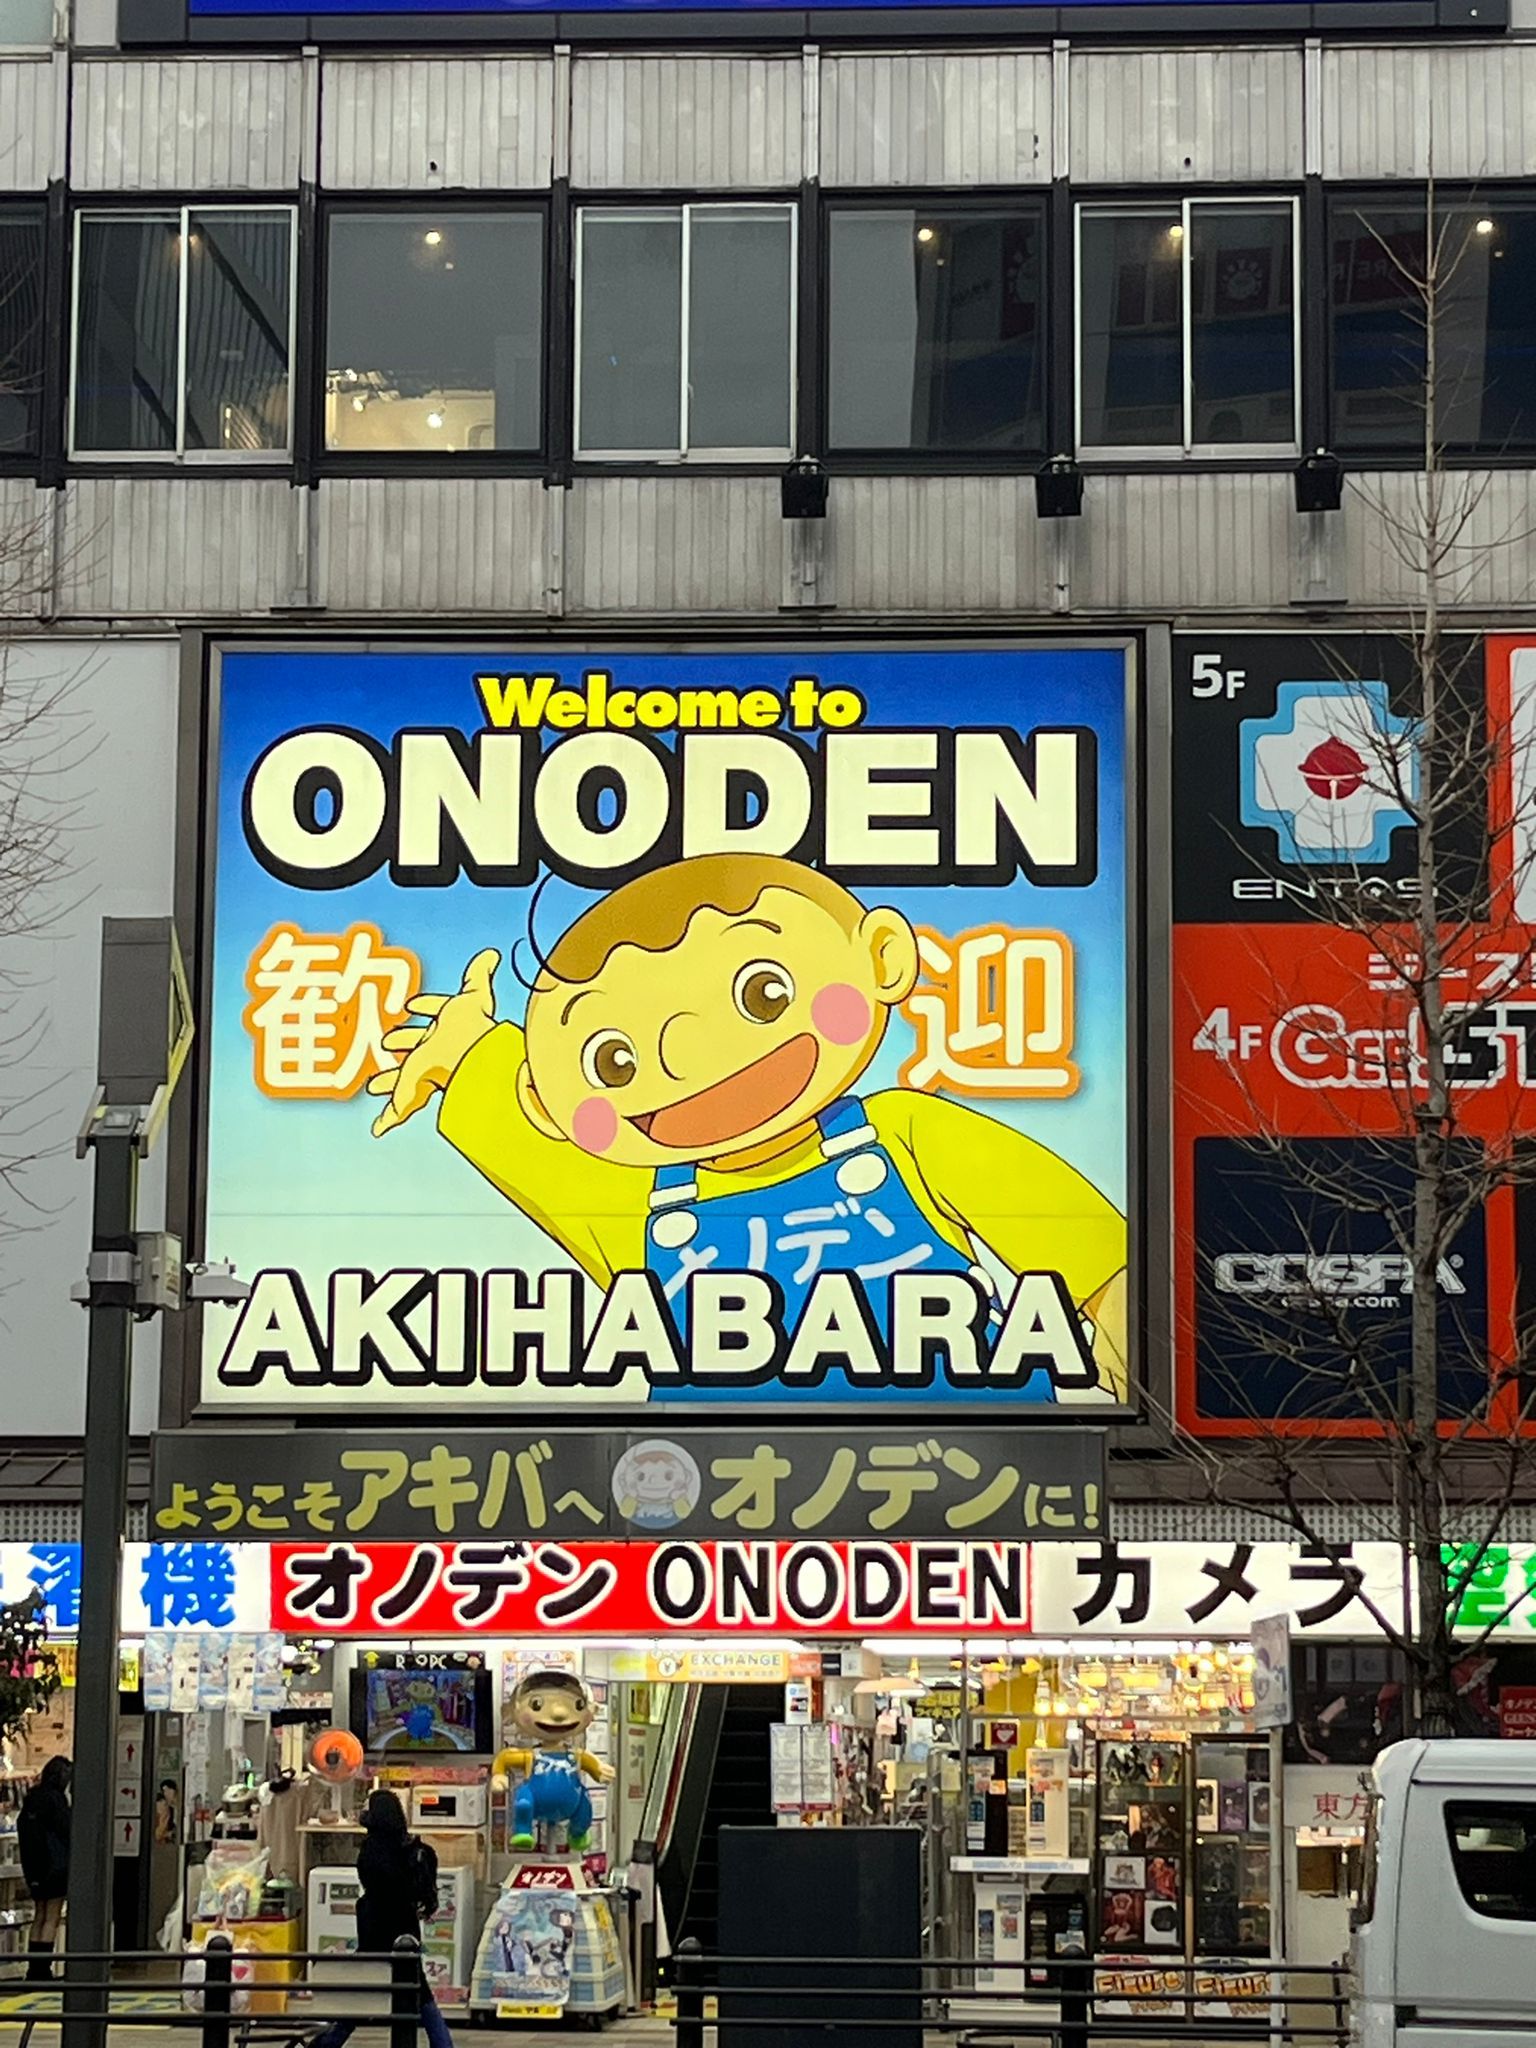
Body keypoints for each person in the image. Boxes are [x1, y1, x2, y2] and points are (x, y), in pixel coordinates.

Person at [309, 1790, 452, 2048]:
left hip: (375, 1928)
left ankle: (329, 2042)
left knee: (362, 1990)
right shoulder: (409, 1848)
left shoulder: (372, 1848)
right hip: (405, 1929)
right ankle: (443, 2044)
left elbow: (371, 1882)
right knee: (419, 1993)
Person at [17, 1756, 71, 1980]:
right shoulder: (56, 1800)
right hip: (54, 1866)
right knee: (52, 1916)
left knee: (39, 1915)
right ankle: (43, 1969)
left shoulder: (32, 1798)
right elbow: (66, 1829)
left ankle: (33, 1968)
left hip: (33, 1866)